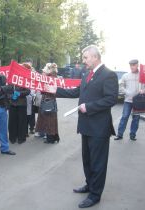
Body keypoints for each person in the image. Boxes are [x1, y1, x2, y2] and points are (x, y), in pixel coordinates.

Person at [49, 45, 118, 208]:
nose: (84, 61)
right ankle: (90, 185)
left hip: (99, 128)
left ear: (95, 57)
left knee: (98, 162)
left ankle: (95, 195)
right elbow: (76, 92)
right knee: (87, 160)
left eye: (86, 58)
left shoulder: (108, 75)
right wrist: (55, 90)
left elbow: (111, 99)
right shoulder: (87, 74)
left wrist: (90, 107)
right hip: (86, 125)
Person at [114, 59, 145, 141]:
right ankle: (119, 134)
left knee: (136, 118)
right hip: (128, 100)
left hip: (138, 101)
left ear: (137, 65)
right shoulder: (126, 76)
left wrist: (143, 90)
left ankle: (132, 135)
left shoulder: (142, 75)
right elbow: (120, 86)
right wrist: (127, 92)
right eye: (131, 65)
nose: (132, 67)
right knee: (124, 117)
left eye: (134, 65)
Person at [35, 63, 60, 144]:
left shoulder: (50, 78)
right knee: (50, 119)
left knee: (49, 119)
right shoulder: (53, 77)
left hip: (48, 100)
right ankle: (52, 136)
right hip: (49, 99)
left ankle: (50, 138)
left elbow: (45, 90)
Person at [8, 64, 30, 144]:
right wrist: (10, 96)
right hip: (12, 104)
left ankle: (21, 137)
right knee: (12, 121)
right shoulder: (11, 78)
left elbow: (28, 91)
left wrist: (19, 94)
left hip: (21, 104)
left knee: (21, 121)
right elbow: (7, 90)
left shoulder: (25, 78)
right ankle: (12, 137)